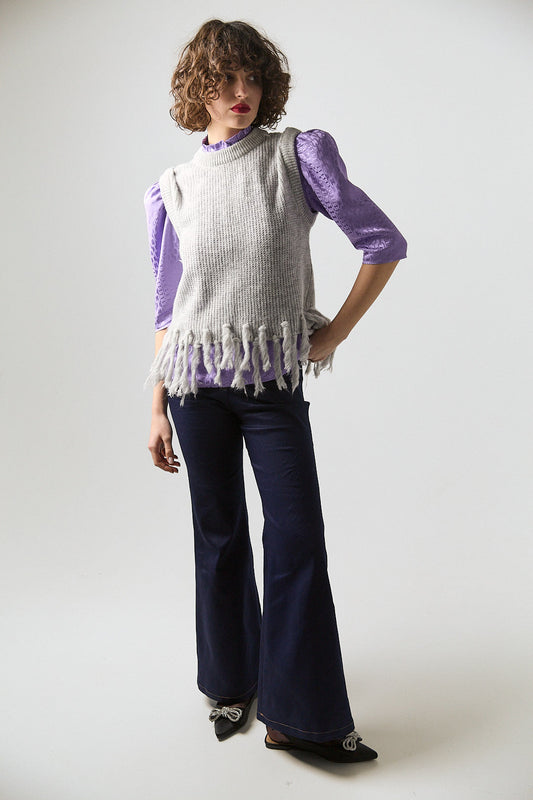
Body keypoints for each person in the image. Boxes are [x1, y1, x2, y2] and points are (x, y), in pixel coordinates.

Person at [144, 18, 407, 764]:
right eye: (225, 79)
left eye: (253, 78)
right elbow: (167, 311)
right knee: (218, 536)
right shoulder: (172, 189)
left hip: (268, 388)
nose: (242, 92)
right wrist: (155, 405)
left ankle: (303, 717)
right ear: (198, 89)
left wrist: (334, 334)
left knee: (295, 539)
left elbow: (382, 243)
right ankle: (230, 683)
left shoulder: (296, 156)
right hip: (193, 388)